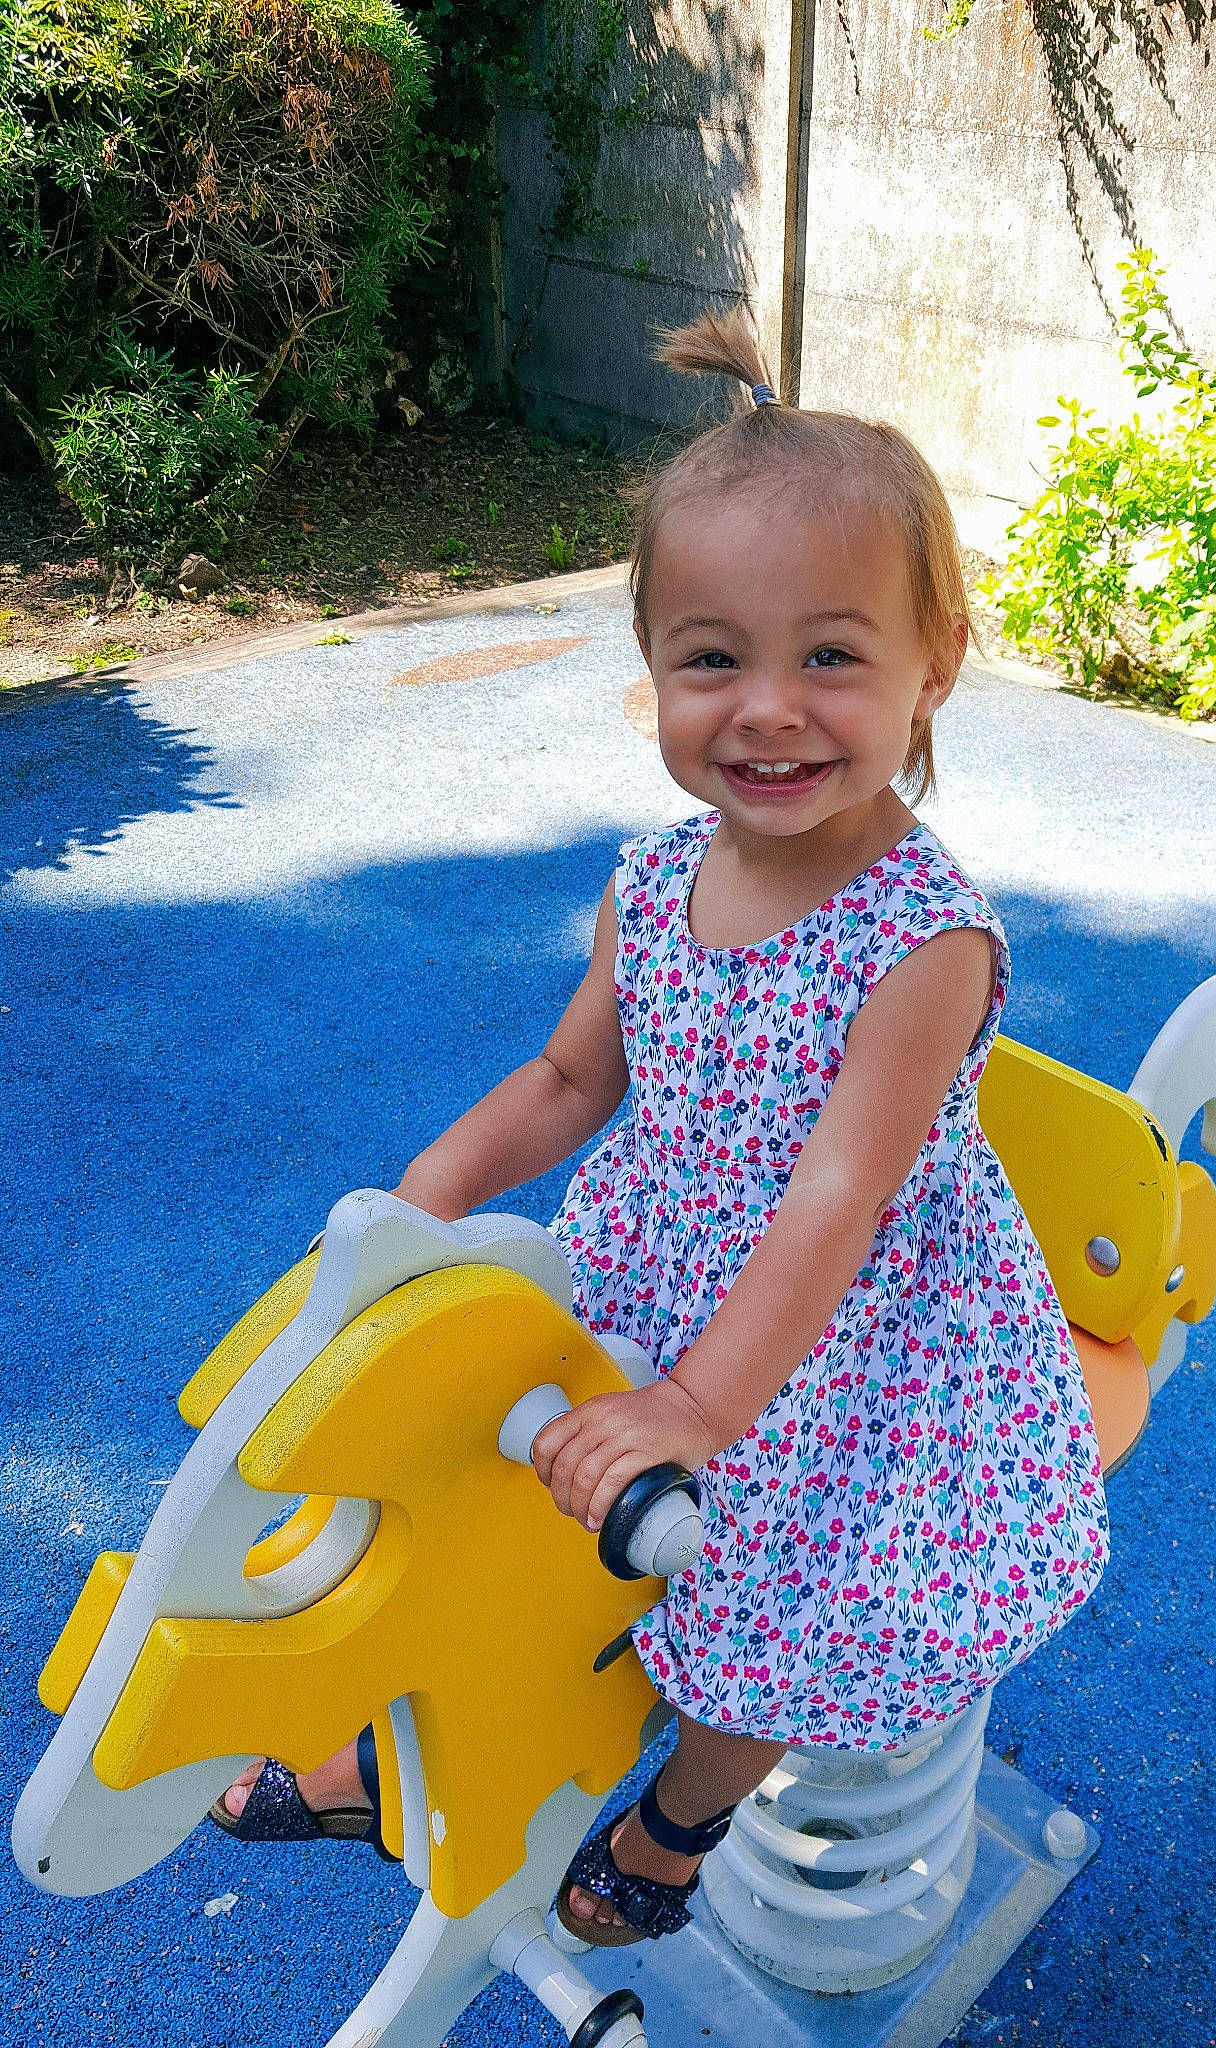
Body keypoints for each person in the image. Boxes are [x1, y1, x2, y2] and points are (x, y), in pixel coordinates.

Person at [212, 307, 1123, 1947]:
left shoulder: (923, 941)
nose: (766, 709)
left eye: (829, 657)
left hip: (856, 1344)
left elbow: (838, 1203)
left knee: (788, 1599)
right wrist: (419, 1209)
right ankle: (389, 1757)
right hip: (658, 1266)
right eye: (713, 659)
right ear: (651, 676)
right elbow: (572, 1083)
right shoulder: (650, 881)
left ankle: (681, 1817)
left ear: (936, 663)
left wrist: (700, 1404)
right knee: (519, 1499)